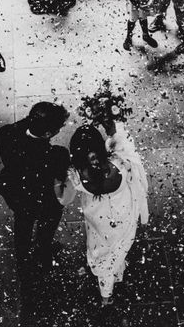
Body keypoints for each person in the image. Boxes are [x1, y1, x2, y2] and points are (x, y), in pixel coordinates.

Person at [58, 122, 148, 306]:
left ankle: (106, 294)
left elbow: (63, 200)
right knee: (118, 248)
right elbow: (122, 141)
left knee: (103, 253)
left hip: (98, 220)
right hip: (123, 215)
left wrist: (57, 179)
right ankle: (117, 273)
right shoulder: (121, 162)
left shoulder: (75, 174)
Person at [0, 102, 71, 277]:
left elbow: (18, 127)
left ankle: (22, 260)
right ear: (48, 134)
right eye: (58, 128)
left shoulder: (5, 134)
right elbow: (62, 177)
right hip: (45, 202)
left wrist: (35, 118)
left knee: (22, 227)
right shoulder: (58, 155)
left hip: (19, 197)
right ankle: (42, 254)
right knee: (45, 229)